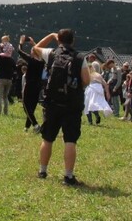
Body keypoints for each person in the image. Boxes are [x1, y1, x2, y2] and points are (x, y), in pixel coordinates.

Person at [36, 29, 90, 186]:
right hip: (72, 105)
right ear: (73, 41)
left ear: (59, 40)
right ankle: (68, 176)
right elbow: (86, 80)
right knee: (70, 140)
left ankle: (42, 170)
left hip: (52, 103)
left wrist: (51, 37)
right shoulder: (80, 57)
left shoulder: (51, 53)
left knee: (47, 138)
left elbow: (35, 48)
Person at [84, 61, 112, 126]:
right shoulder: (99, 75)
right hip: (99, 88)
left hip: (91, 89)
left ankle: (90, 121)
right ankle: (96, 116)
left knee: (88, 105)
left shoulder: (89, 74)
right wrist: (107, 93)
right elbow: (105, 84)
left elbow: (85, 82)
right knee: (94, 104)